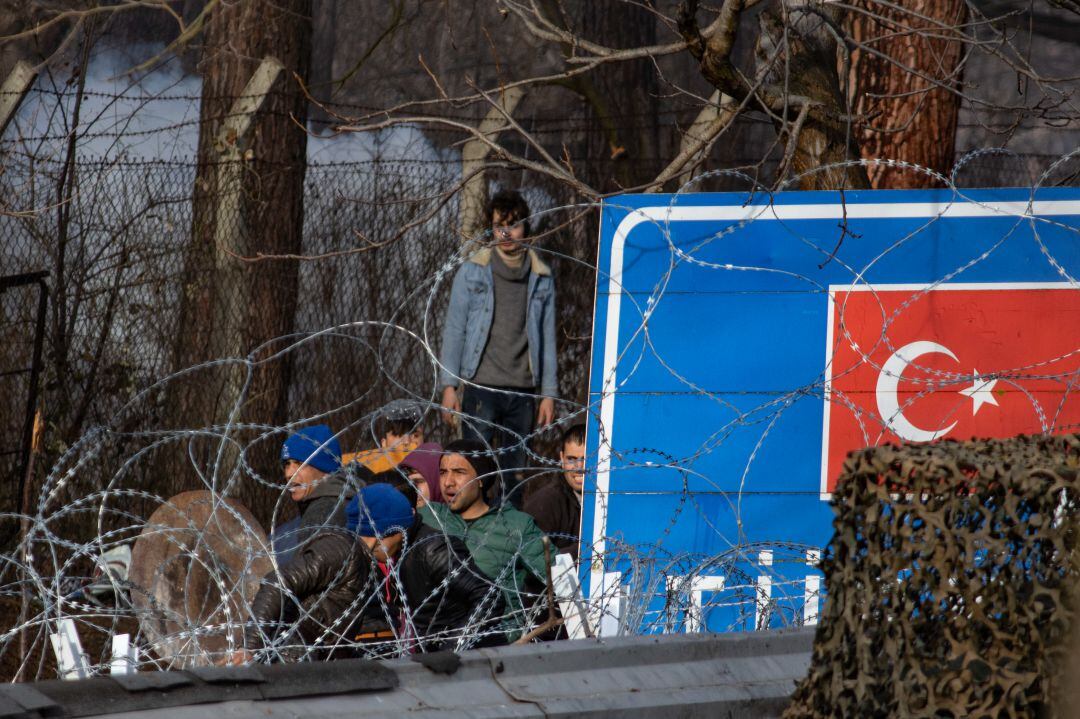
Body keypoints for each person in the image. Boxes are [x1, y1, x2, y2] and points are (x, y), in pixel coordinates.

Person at [438, 190, 557, 508]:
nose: (506, 233)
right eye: (499, 225)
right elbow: (455, 329)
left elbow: (547, 337)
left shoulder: (541, 277)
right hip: (481, 386)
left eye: (513, 225)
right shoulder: (473, 271)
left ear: (525, 229)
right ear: (490, 228)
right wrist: (449, 386)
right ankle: (471, 534)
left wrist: (548, 393)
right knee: (474, 468)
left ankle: (507, 538)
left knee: (514, 474)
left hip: (522, 392)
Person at [348, 483, 505, 652]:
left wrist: (456, 645)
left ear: (398, 530)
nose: (370, 549)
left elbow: (490, 595)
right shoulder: (399, 551)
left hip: (472, 656)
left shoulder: (433, 551)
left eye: (375, 541)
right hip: (432, 652)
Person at [421, 439, 550, 641]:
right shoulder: (429, 518)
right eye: (443, 472)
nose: (448, 482)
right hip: (439, 645)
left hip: (499, 646)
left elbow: (560, 579)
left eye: (459, 472)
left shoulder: (516, 526)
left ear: (482, 479)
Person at [271, 424, 360, 566]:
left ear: (324, 467)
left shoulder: (323, 515)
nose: (289, 473)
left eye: (299, 463)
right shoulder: (338, 503)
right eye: (287, 464)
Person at [524, 423, 585, 560]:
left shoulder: (609, 499)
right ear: (562, 459)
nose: (579, 467)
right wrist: (587, 549)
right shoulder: (546, 502)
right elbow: (533, 560)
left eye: (586, 459)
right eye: (571, 459)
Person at [345, 399, 426, 474]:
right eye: (398, 435)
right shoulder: (365, 475)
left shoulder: (434, 476)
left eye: (416, 436)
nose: (407, 442)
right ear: (383, 443)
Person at [398, 442, 443, 507]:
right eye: (406, 483)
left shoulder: (454, 515)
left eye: (418, 481)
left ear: (436, 481)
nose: (412, 489)